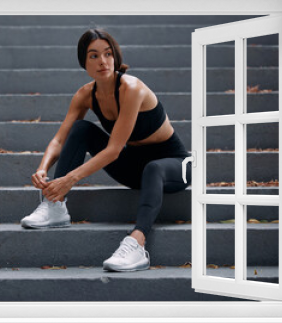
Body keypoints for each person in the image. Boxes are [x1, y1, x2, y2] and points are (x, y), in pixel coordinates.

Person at [20, 29, 191, 272]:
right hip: (133, 168)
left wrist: (69, 179)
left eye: (108, 54)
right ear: (84, 62)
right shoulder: (85, 95)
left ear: (115, 57)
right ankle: (55, 206)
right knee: (80, 129)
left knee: (154, 168)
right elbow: (60, 139)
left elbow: (113, 150)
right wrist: (43, 168)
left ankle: (137, 244)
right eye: (94, 56)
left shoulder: (132, 88)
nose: (103, 61)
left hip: (174, 165)